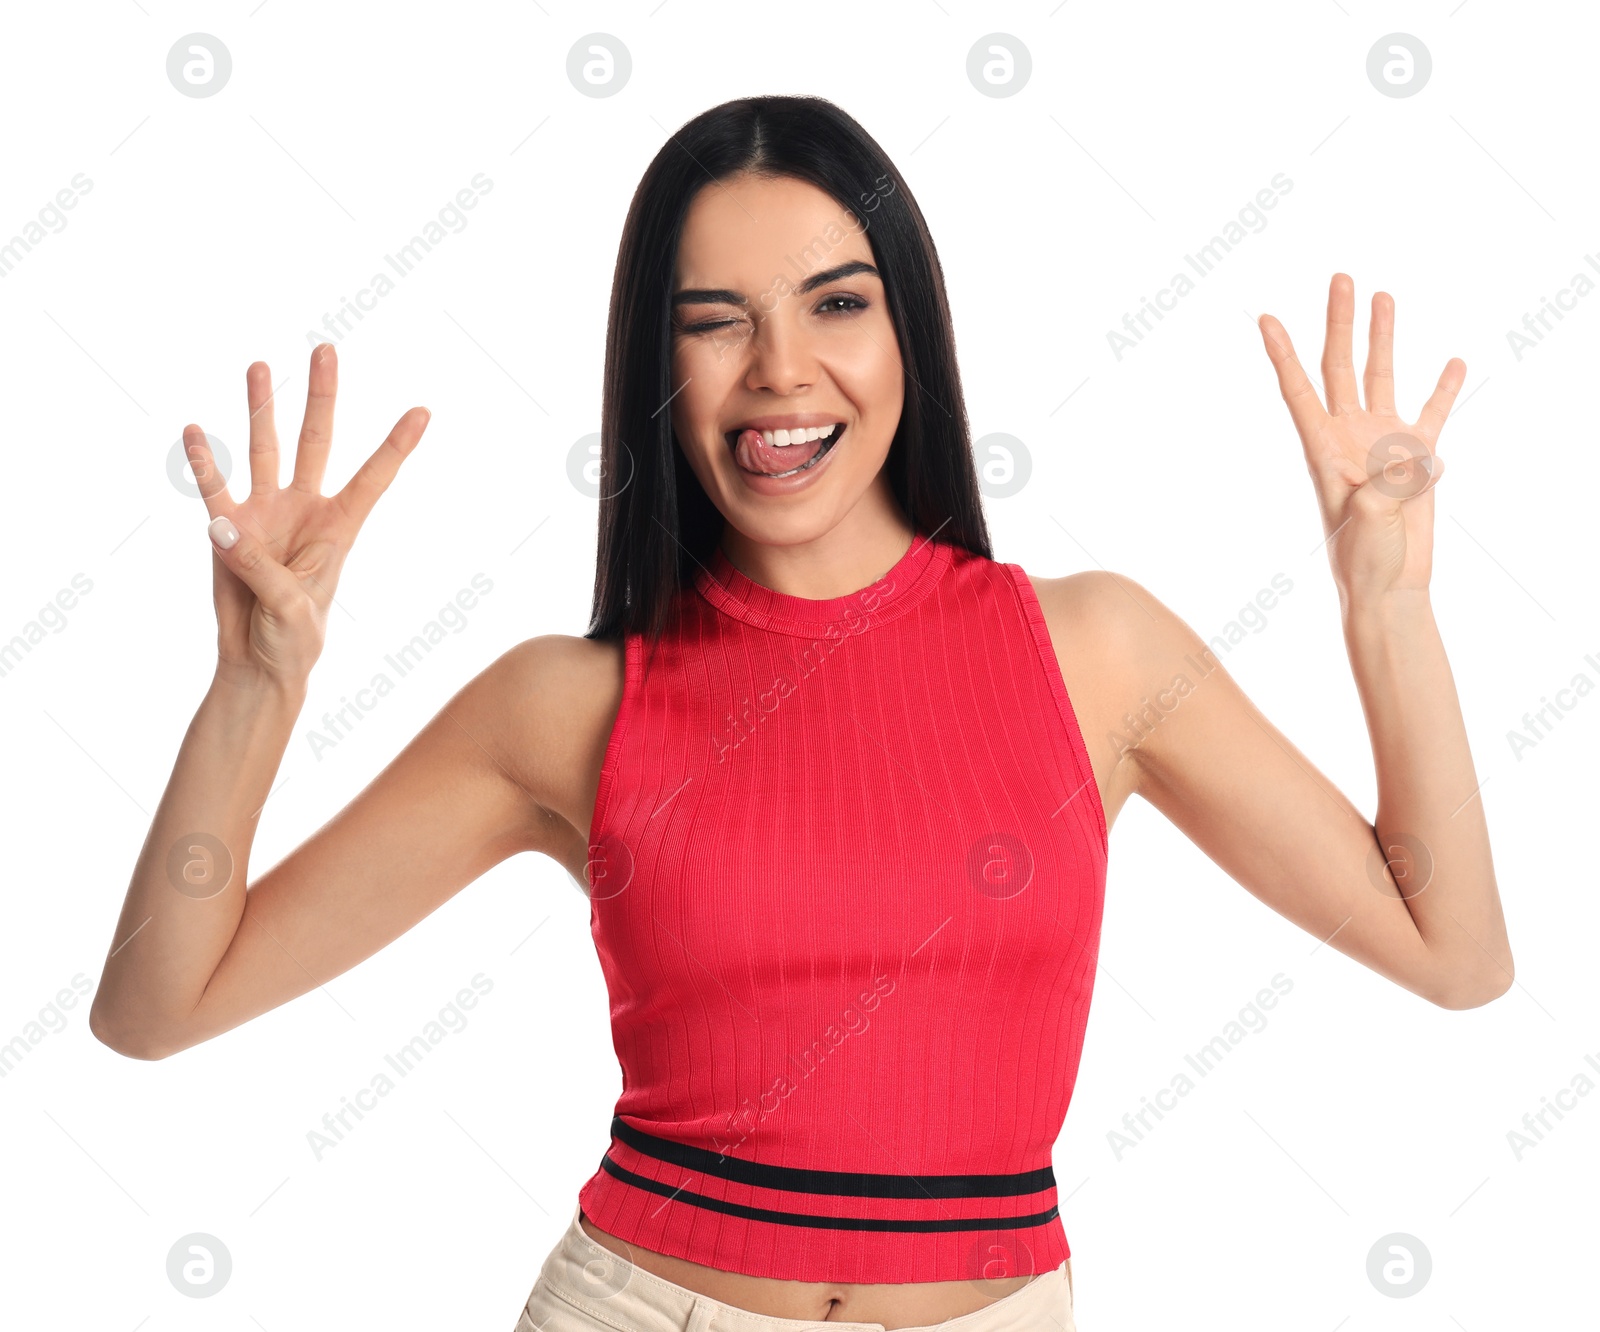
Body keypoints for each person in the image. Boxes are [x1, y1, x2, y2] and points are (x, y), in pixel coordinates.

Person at [89, 96, 1513, 1332]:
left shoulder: (1094, 649)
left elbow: (1452, 955)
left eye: (837, 303)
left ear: (912, 332)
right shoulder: (568, 704)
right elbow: (159, 1007)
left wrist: (1384, 607)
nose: (780, 369)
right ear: (661, 369)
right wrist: (256, 686)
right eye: (717, 322)